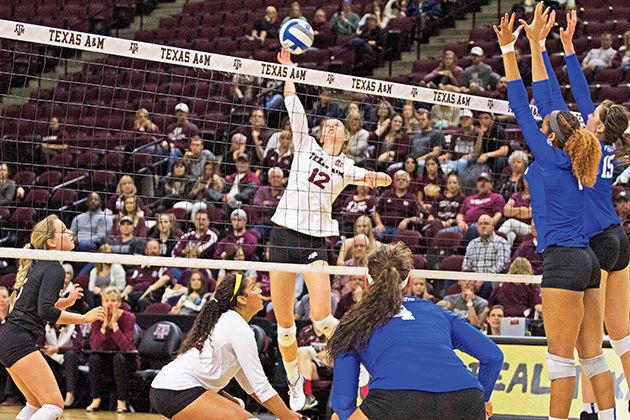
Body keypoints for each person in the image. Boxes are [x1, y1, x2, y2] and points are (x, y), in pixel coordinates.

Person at [495, 8, 615, 419]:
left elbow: (517, 99)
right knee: (593, 357)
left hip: (563, 262)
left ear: (549, 135)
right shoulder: (578, 154)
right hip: (587, 260)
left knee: (561, 362)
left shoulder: (547, 157)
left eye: (543, 124)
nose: (540, 121)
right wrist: (535, 45)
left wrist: (510, 49)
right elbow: (547, 100)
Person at [270, 48, 391, 412]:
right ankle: (295, 384)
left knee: (322, 319)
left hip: (311, 241)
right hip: (282, 234)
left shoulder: (347, 166)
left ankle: (369, 369)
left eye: (337, 125)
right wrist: (289, 70)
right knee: (286, 326)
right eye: (328, 124)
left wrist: (376, 177)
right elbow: (292, 102)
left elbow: (377, 179)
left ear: (346, 136)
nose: (331, 125)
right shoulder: (305, 142)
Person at [328, 243, 502, 420]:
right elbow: (493, 356)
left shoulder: (353, 321)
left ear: (366, 282)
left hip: (396, 399)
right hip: (464, 398)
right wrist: (483, 400)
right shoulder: (436, 311)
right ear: (409, 282)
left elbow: (343, 404)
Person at [556, 10, 630, 417]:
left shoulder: (590, 144)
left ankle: (591, 409)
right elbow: (586, 99)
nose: (588, 115)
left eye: (594, 116)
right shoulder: (609, 144)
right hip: (618, 238)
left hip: (597, 243)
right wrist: (568, 48)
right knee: (622, 335)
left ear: (600, 127)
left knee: (590, 338)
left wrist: (567, 51)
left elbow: (582, 96)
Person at [150, 273, 301, 420]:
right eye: (253, 288)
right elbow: (261, 387)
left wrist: (286, 413)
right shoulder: (238, 328)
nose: (260, 290)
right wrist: (287, 417)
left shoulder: (228, 321)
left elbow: (252, 388)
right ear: (242, 299)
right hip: (177, 390)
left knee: (238, 405)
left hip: (168, 388)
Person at [0, 215, 105, 420]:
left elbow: (35, 307)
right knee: (54, 404)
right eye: (64, 230)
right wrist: (84, 318)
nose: (70, 232)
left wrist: (66, 302)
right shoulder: (54, 267)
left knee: (36, 404)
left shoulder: (39, 264)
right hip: (18, 339)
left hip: (8, 338)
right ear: (50, 241)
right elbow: (46, 312)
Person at [86, 287, 137, 413]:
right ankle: (96, 399)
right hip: (104, 358)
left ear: (119, 303)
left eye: (113, 300)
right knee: (94, 358)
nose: (110, 304)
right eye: (106, 300)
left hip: (125, 359)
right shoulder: (97, 317)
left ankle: (121, 401)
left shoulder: (129, 317)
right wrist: (103, 327)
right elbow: (94, 346)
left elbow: (127, 347)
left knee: (118, 358)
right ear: (102, 303)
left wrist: (114, 326)